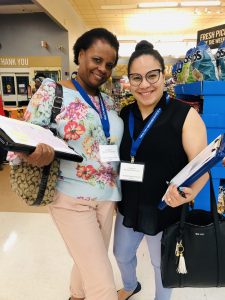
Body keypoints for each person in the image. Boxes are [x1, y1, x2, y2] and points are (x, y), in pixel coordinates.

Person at [13, 28, 123, 300]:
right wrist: (38, 153)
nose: (103, 69)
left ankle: (75, 295)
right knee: (103, 285)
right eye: (97, 60)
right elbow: (25, 139)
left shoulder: (107, 101)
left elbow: (108, 145)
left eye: (109, 64)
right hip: (70, 197)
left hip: (108, 197)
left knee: (87, 260)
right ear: (80, 54)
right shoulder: (52, 91)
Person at [113, 40, 209, 300]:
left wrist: (188, 195)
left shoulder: (185, 116)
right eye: (136, 78)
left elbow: (202, 169)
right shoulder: (124, 114)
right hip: (129, 207)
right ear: (129, 81)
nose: (144, 85)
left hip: (164, 210)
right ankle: (131, 285)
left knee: (160, 264)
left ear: (163, 74)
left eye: (151, 75)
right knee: (121, 254)